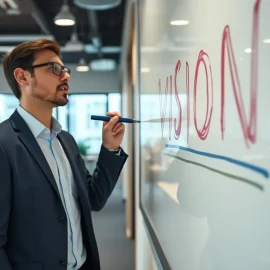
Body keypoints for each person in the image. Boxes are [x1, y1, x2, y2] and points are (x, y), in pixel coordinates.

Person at [0, 39, 128, 270]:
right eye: (54, 68)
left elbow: (93, 199)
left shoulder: (65, 140)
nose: (66, 76)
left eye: (65, 70)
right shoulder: (3, 144)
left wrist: (110, 147)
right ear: (22, 77)